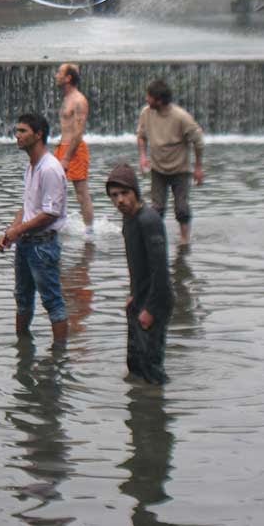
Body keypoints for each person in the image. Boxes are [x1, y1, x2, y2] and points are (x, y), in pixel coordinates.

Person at [0, 112, 69, 346]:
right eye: (16, 131)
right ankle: (22, 348)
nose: (16, 136)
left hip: (43, 245)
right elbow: (28, 206)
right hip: (26, 243)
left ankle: (59, 356)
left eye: (22, 131)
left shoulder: (50, 169)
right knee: (22, 299)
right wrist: (11, 231)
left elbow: (50, 213)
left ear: (38, 135)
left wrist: (19, 231)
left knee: (53, 302)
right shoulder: (31, 167)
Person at [106, 162, 173, 384]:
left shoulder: (149, 220)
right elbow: (136, 264)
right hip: (141, 297)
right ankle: (137, 408)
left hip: (156, 299)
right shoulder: (128, 219)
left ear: (135, 192)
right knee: (134, 363)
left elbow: (161, 271)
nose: (120, 200)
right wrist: (133, 294)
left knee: (151, 368)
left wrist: (151, 309)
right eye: (114, 195)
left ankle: (154, 409)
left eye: (125, 193)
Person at [136, 79, 204, 245]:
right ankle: (156, 239)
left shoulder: (181, 117)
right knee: (157, 209)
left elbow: (198, 141)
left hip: (180, 170)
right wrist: (143, 156)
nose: (146, 99)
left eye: (149, 97)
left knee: (181, 209)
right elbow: (141, 136)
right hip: (158, 169)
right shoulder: (146, 113)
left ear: (159, 100)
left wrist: (198, 167)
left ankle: (184, 240)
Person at [54, 62, 95, 235]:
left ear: (68, 78)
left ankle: (89, 231)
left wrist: (66, 158)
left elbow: (78, 133)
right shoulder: (67, 98)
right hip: (62, 148)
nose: (56, 75)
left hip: (75, 150)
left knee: (81, 192)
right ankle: (55, 224)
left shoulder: (79, 100)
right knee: (54, 188)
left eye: (59, 72)